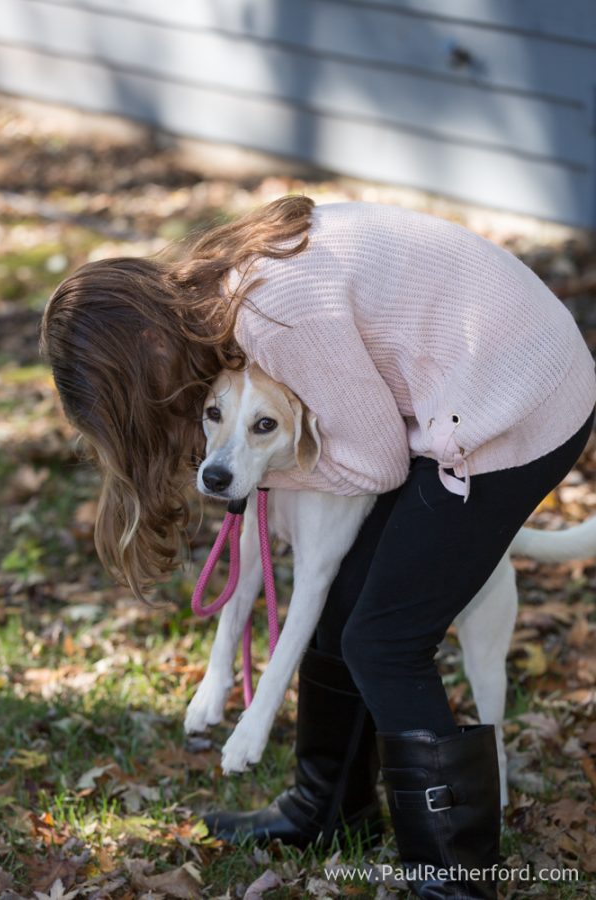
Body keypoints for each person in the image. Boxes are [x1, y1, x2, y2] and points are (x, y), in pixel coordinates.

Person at [40, 196, 596, 899]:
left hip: (516, 402)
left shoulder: (275, 317)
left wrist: (264, 468)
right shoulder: (221, 305)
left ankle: (459, 883)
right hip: (463, 388)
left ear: (150, 350)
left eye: (145, 406)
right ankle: (328, 810)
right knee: (348, 598)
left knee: (385, 640)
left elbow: (375, 464)